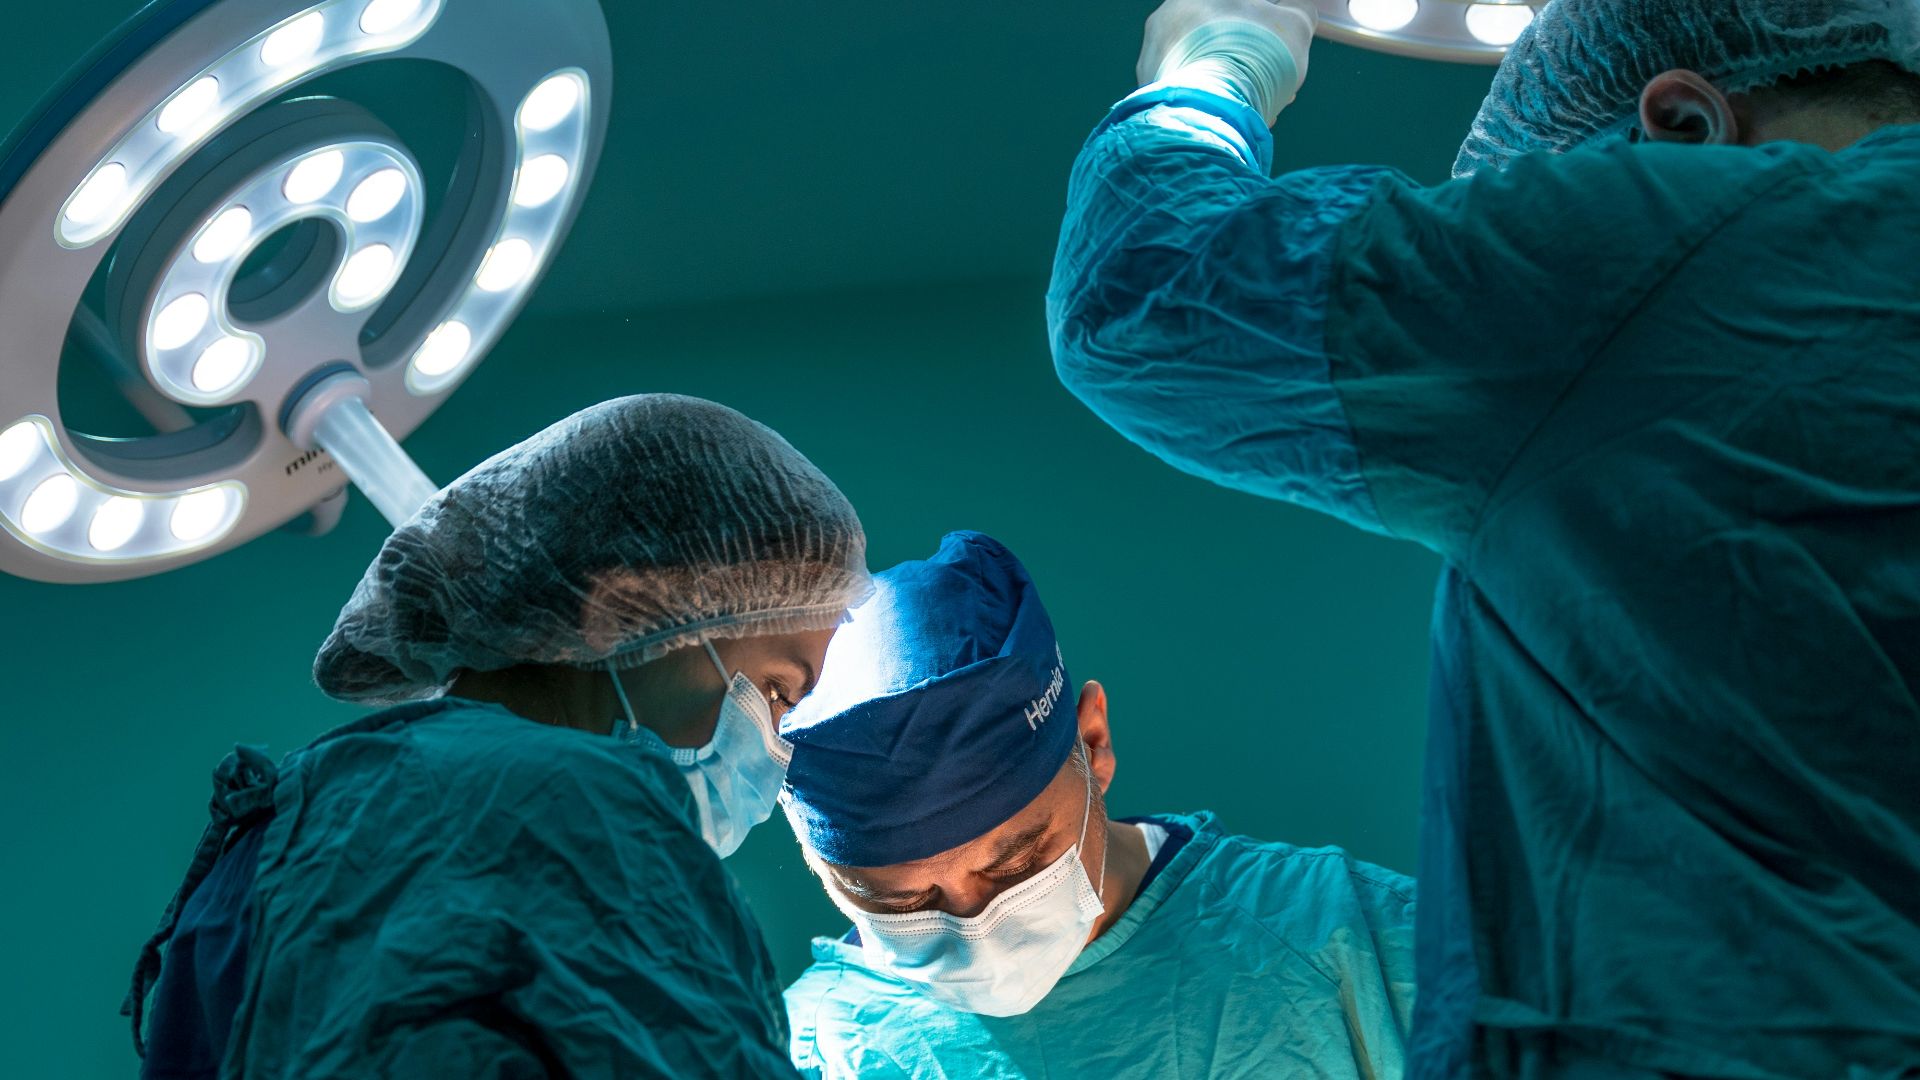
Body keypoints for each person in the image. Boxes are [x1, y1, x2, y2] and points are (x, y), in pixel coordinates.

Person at [1047, 1, 1920, 1076]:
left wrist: (1216, 66)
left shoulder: (1668, 261)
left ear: (1685, 131)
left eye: (1540, 201)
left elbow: (1144, 294)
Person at [126, 395, 870, 1078]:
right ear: (624, 609)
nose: (773, 745)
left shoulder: (266, 841)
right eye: (777, 691)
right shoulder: (582, 808)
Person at [779, 531, 1415, 1079]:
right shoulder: (810, 1049)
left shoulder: (1357, 945)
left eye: (1015, 864)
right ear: (817, 865)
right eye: (901, 902)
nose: (975, 931)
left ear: (1093, 744)